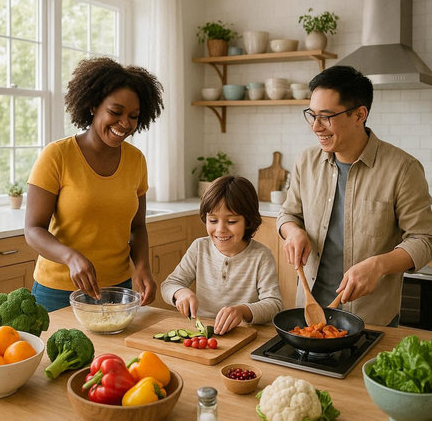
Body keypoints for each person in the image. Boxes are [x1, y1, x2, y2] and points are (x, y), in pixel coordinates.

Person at [277, 65, 432, 326]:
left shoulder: (403, 169)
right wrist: (293, 232)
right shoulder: (306, 162)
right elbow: (288, 213)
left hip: (371, 319)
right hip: (309, 312)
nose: (316, 127)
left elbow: (424, 239)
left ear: (360, 114)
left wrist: (379, 265)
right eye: (311, 115)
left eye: (326, 117)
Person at [25, 57, 164, 312]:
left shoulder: (136, 161)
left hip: (117, 290)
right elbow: (33, 229)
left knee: (112, 354)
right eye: (115, 112)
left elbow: (138, 227)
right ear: (92, 106)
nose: (125, 124)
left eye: (133, 116)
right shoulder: (57, 155)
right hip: (58, 291)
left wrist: (142, 266)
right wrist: (71, 257)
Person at [161, 175, 283, 335]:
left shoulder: (261, 256)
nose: (220, 230)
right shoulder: (199, 248)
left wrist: (242, 311)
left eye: (231, 222)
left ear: (248, 221)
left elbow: (274, 304)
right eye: (212, 221)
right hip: (203, 333)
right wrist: (180, 293)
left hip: (245, 334)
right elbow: (169, 285)